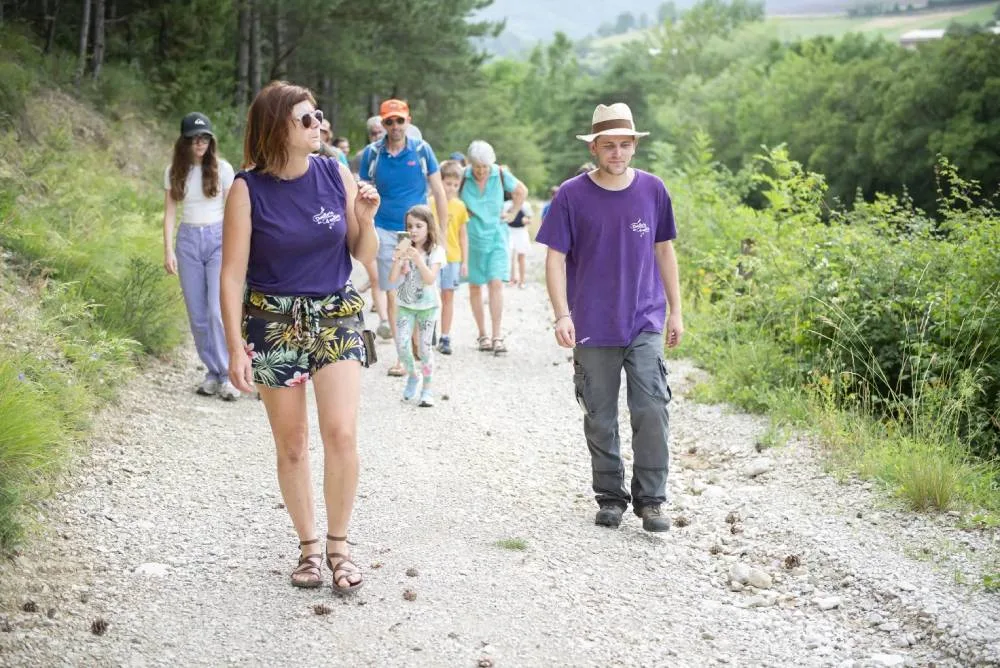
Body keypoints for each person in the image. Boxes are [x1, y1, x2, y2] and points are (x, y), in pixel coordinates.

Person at [220, 81, 380, 594]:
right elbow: (230, 274)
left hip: (334, 310)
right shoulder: (247, 189)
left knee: (342, 434)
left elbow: (364, 252)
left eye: (318, 117)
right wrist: (232, 346)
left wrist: (367, 218)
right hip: (272, 318)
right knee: (291, 446)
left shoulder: (336, 171)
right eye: (305, 119)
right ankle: (309, 548)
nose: (318, 127)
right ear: (277, 127)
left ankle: (340, 546)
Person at [536, 102, 683, 533]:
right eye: (608, 146)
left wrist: (677, 310)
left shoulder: (654, 190)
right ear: (595, 148)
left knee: (652, 406)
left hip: (644, 319)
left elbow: (664, 251)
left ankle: (652, 500)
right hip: (592, 324)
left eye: (624, 144)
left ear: (634, 146)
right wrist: (562, 314)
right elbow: (555, 259)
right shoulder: (571, 195)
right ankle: (611, 497)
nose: (617, 153)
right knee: (599, 414)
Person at [358, 99, 448, 377]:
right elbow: (362, 191)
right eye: (389, 121)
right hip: (385, 229)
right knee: (395, 293)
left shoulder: (421, 150)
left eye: (399, 120)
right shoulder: (372, 154)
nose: (395, 126)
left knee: (422, 288)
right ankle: (402, 356)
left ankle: (419, 344)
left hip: (418, 231)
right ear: (382, 124)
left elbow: (439, 191)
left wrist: (440, 234)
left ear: (408, 121)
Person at [162, 112, 240, 401]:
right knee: (198, 315)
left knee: (217, 310)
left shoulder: (223, 169)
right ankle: (214, 372)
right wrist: (168, 249)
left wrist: (237, 247)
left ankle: (230, 374)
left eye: (205, 137)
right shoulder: (174, 171)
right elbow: (170, 213)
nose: (200, 143)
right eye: (195, 138)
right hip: (188, 241)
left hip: (218, 238)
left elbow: (234, 211)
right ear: (185, 141)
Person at [459, 140, 527, 355]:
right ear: (470, 164)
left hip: (497, 235)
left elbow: (521, 191)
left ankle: (497, 335)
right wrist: (461, 212)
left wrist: (514, 213)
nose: (481, 171)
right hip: (472, 237)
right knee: (475, 286)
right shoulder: (463, 175)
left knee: (496, 282)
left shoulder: (499, 174)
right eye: (477, 166)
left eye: (484, 167)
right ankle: (482, 335)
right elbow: (445, 193)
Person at [388, 205, 445, 406]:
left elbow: (430, 279)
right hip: (405, 305)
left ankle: (427, 389)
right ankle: (413, 375)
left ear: (428, 228)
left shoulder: (436, 251)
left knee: (424, 349)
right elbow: (392, 278)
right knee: (403, 346)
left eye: (418, 226)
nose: (413, 230)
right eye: (410, 226)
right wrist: (398, 259)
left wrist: (418, 260)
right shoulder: (403, 248)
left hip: (428, 307)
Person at [435, 160, 469, 356]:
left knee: (448, 297)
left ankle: (445, 336)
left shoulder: (460, 206)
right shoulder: (430, 202)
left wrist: (465, 261)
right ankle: (428, 330)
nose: (451, 188)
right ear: (440, 182)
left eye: (456, 185)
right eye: (448, 184)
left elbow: (463, 236)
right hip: (433, 257)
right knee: (430, 296)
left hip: (453, 258)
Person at [503, 194, 534, 288]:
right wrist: (505, 217)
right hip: (509, 230)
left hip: (521, 231)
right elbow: (502, 216)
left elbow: (530, 218)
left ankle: (522, 281)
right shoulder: (507, 205)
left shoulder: (526, 205)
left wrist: (527, 220)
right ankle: (512, 279)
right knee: (510, 255)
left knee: (521, 256)